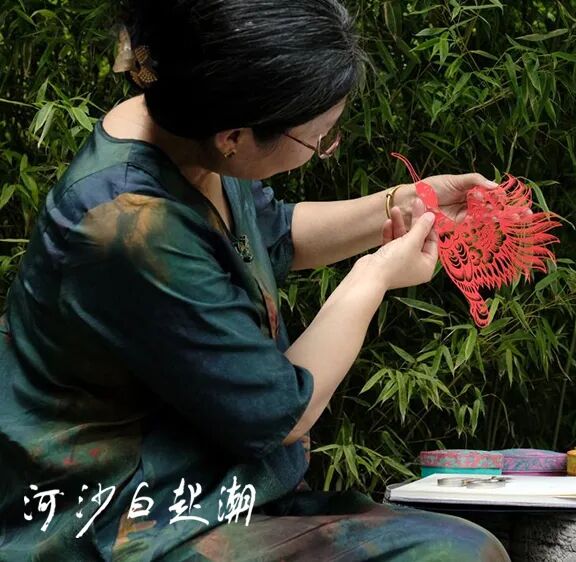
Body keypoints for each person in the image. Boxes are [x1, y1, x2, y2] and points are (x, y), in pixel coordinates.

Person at [0, 1, 510, 560]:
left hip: (207, 490)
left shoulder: (187, 123)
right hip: (121, 520)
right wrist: (373, 277)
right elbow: (280, 412)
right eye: (320, 140)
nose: (324, 149)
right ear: (234, 137)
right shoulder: (130, 223)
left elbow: (273, 232)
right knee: (459, 554)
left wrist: (406, 202)